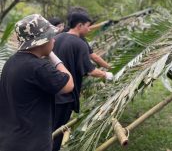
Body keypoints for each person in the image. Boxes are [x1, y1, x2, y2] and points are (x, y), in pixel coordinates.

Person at [0, 14, 74, 151]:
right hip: (31, 143)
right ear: (42, 41)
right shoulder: (39, 67)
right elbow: (69, 84)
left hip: (9, 140)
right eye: (51, 37)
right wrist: (52, 54)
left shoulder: (11, 63)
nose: (54, 40)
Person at [52, 12, 114, 151]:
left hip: (51, 91)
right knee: (58, 131)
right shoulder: (79, 43)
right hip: (65, 96)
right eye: (88, 26)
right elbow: (91, 70)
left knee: (49, 127)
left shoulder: (57, 37)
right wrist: (107, 74)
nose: (89, 29)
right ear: (79, 25)